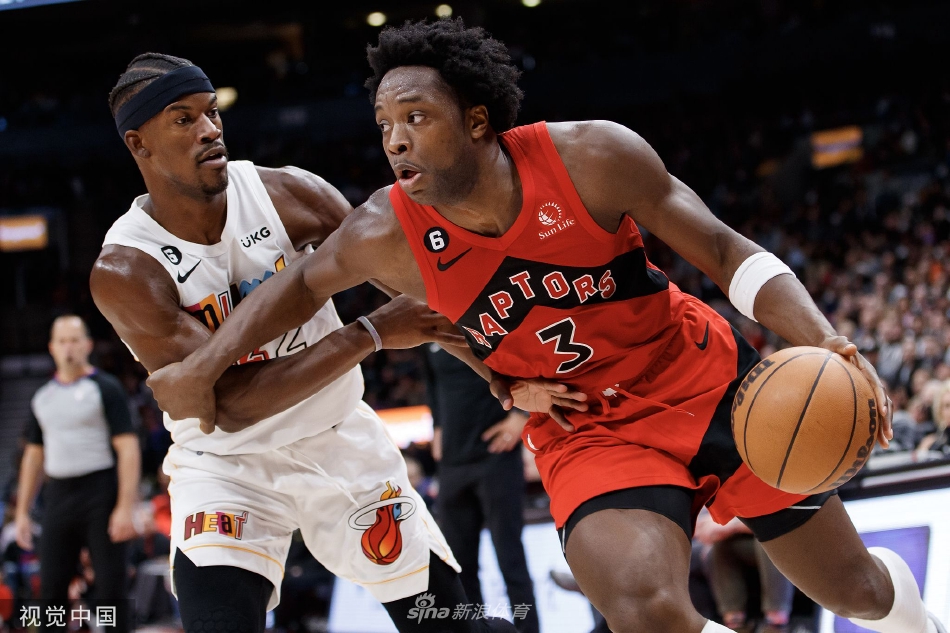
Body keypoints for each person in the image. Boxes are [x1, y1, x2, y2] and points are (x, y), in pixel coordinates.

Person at [146, 20, 947, 633]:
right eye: (384, 123)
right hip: (590, 428)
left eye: (416, 116)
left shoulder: (593, 158)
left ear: (477, 121)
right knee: (644, 608)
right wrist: (203, 365)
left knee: (858, 592)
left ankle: (908, 609)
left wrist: (824, 339)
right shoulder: (383, 233)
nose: (395, 139)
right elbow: (295, 288)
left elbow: (727, 251)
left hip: (708, 384)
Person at [91, 52, 569, 633]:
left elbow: (424, 299)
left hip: (338, 438)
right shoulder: (127, 269)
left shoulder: (289, 194)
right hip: (226, 467)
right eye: (184, 119)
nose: (210, 129)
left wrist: (505, 376)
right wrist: (368, 335)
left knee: (448, 626)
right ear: (138, 144)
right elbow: (232, 405)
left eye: (212, 112)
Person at [14, 315, 140, 633]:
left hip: (100, 492)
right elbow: (33, 456)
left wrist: (125, 506)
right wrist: (22, 512)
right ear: (52, 348)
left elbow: (128, 448)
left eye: (74, 340)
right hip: (58, 495)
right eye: (62, 341)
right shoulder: (43, 397)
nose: (68, 347)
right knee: (51, 589)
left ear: (88, 345)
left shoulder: (106, 388)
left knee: (111, 588)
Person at [425, 345, 539, 632]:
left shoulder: (481, 324)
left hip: (496, 455)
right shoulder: (424, 331)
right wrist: (437, 425)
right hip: (452, 461)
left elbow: (525, 361)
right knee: (459, 565)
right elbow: (432, 382)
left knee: (510, 558)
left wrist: (521, 414)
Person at [694, 509, 794, 633]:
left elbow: (780, 520)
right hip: (751, 541)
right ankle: (735, 624)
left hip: (789, 539)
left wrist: (732, 525)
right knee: (721, 546)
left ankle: (776, 623)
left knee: (769, 541)